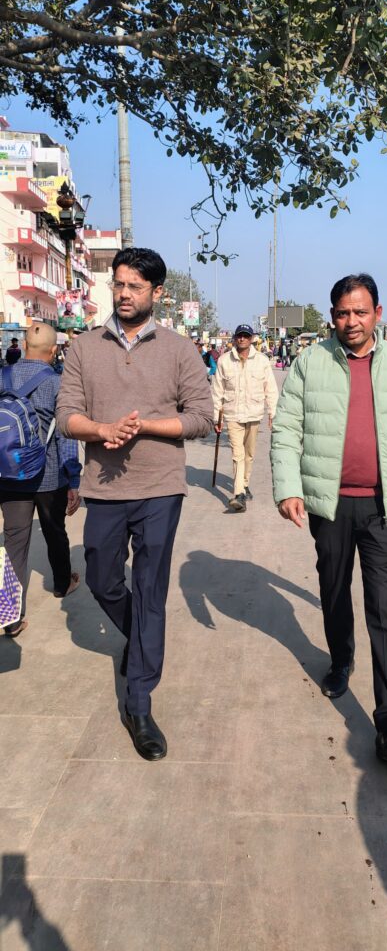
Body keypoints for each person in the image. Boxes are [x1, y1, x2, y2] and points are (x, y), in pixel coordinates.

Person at [271, 274, 387, 764]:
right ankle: (341, 658)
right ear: (332, 317)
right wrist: (288, 487)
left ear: (377, 314)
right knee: (333, 589)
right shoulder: (311, 362)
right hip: (331, 505)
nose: (352, 321)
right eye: (343, 313)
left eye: (360, 312)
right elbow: (286, 429)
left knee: (385, 609)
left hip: (386, 508)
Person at [56, 247, 213, 762]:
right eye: (118, 284)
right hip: (103, 488)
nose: (123, 294)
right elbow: (66, 415)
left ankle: (139, 704)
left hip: (160, 487)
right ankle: (144, 639)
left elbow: (200, 418)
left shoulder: (180, 349)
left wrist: (145, 426)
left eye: (135, 287)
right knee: (102, 577)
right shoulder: (84, 347)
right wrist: (101, 429)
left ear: (157, 293)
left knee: (149, 589)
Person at [0, 324, 81, 637]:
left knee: (14, 544)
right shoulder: (57, 383)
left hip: (9, 475)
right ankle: (62, 584)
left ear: (24, 346)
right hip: (48, 477)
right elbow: (66, 437)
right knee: (55, 532)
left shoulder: (3, 376)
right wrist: (73, 479)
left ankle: (10, 617)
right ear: (53, 350)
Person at [212, 323, 279, 512]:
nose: (242, 339)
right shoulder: (224, 361)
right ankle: (239, 493)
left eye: (246, 336)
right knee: (237, 454)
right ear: (235, 339)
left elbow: (271, 389)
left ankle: (245, 483)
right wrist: (216, 418)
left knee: (249, 454)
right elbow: (217, 391)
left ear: (251, 339)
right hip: (232, 414)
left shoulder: (262, 361)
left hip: (254, 413)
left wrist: (273, 413)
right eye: (239, 336)